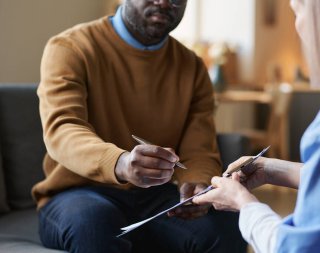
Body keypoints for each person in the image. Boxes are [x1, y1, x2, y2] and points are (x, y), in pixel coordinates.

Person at [32, 0, 237, 252]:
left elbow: (199, 147)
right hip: (77, 192)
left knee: (226, 224)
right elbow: (62, 129)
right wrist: (119, 163)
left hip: (155, 196)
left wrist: (196, 183)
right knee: (95, 223)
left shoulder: (192, 67)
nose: (164, 2)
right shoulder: (70, 48)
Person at [193, 0, 320, 252]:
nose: (298, 28)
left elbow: (296, 249)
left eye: (297, 12)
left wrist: (244, 204)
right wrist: (271, 169)